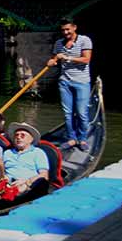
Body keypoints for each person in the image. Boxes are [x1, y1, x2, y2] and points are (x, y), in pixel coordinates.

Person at [46, 17, 93, 151]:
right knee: (68, 113)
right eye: (63, 30)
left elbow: (86, 59)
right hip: (65, 82)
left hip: (82, 82)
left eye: (68, 29)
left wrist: (67, 57)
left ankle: (82, 139)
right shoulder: (59, 43)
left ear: (74, 27)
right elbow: (55, 58)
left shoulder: (84, 40)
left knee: (81, 113)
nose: (65, 32)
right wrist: (52, 61)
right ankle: (72, 139)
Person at [0, 122, 49, 201]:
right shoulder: (7, 153)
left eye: (22, 135)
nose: (18, 137)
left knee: (40, 183)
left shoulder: (38, 152)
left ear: (31, 139)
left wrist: (27, 182)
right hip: (8, 184)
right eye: (16, 135)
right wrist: (4, 180)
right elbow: (0, 170)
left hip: (28, 185)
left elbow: (44, 175)